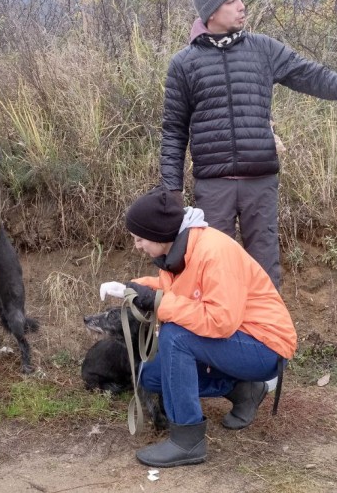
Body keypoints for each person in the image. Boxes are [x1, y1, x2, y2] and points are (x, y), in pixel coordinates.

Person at [160, 0, 337, 289]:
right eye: (231, 1)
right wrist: (170, 188)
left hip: (260, 183)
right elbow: (173, 131)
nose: (242, 6)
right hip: (213, 188)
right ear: (211, 12)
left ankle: (269, 338)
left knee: (264, 276)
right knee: (215, 274)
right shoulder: (184, 64)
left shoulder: (263, 49)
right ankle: (222, 337)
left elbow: (315, 76)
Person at [100, 187, 297, 467]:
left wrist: (158, 302)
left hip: (265, 346)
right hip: (234, 341)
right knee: (151, 375)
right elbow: (182, 291)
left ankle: (187, 440)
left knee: (175, 337)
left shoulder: (213, 252)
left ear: (158, 233)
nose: (137, 245)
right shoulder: (176, 252)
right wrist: (135, 288)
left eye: (140, 238)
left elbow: (220, 321)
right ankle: (243, 390)